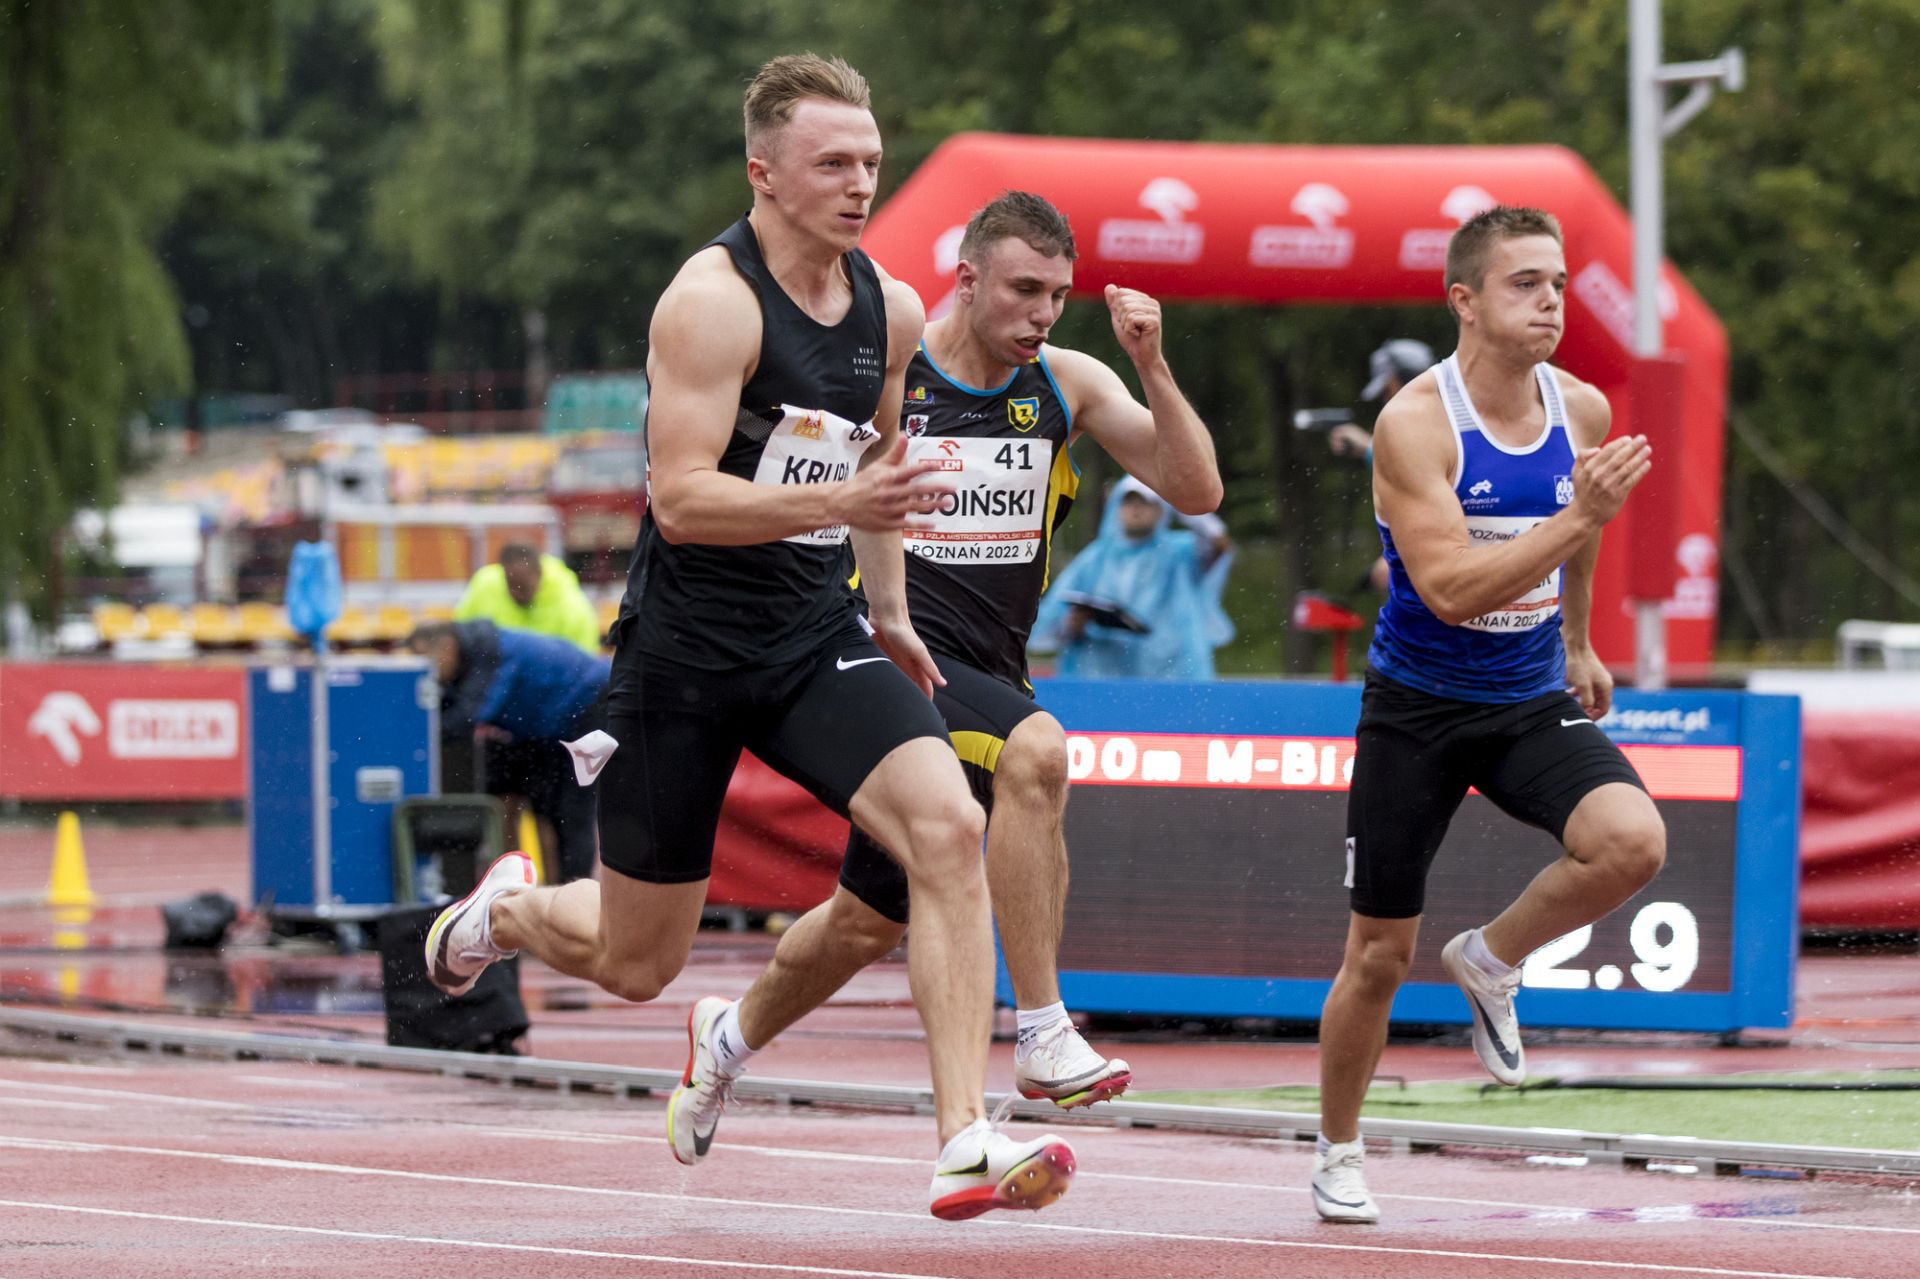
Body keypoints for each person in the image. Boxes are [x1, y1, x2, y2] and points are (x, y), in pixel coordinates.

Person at [421, 55, 1078, 1222]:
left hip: (814, 636)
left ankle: (964, 1137)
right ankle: (504, 910)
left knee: (948, 827)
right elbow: (682, 500)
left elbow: (882, 467)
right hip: (684, 657)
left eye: (871, 162)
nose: (860, 184)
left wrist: (890, 612)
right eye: (833, 163)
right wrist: (842, 502)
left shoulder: (891, 309)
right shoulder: (710, 302)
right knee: (639, 964)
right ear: (763, 173)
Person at [667, 190, 1222, 1151]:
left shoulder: (1066, 383)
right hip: (891, 663)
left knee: (862, 923)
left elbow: (1198, 487)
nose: (1042, 314)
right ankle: (1042, 1029)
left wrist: (1152, 365)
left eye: (1058, 295)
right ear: (967, 279)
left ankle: (725, 1039)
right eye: (1024, 290)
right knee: (1038, 754)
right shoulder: (893, 374)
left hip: (991, 674)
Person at [1311, 206, 1663, 1224]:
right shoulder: (1416, 422)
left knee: (1632, 841)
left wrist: (1580, 641)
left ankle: (1493, 957)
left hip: (1526, 699)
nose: (1550, 301)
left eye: (1558, 283)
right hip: (1416, 709)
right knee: (1378, 953)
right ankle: (1338, 1147)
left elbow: (1583, 533)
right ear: (1464, 300)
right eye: (1525, 283)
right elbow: (1454, 589)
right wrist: (1580, 512)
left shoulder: (1581, 407)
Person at [408, 619, 609, 884]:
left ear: (447, 645)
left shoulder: (489, 654)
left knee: (573, 810)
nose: (429, 674)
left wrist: (415, 737)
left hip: (591, 705)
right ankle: (558, 884)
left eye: (429, 661)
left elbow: (472, 714)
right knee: (551, 810)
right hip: (553, 723)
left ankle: (576, 888)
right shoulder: (479, 652)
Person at [1029, 476, 1233, 678]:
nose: (1136, 508)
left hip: (1170, 672)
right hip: (1101, 674)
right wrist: (1072, 624)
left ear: (1162, 510)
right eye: (1128, 501)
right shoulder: (1095, 557)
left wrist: (1187, 505)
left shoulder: (1180, 552)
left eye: (1146, 502)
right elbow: (1053, 612)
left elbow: (1217, 545)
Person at [1329, 340, 1435, 594]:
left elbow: (1418, 473)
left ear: (1401, 381)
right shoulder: (1447, 415)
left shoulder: (1436, 423)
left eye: (1387, 390)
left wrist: (1368, 447)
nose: (1386, 401)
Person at [454, 543, 602, 655]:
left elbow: (582, 666)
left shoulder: (572, 607)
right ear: (503, 574)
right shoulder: (484, 587)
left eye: (523, 588)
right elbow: (461, 638)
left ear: (540, 575)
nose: (516, 594)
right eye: (511, 586)